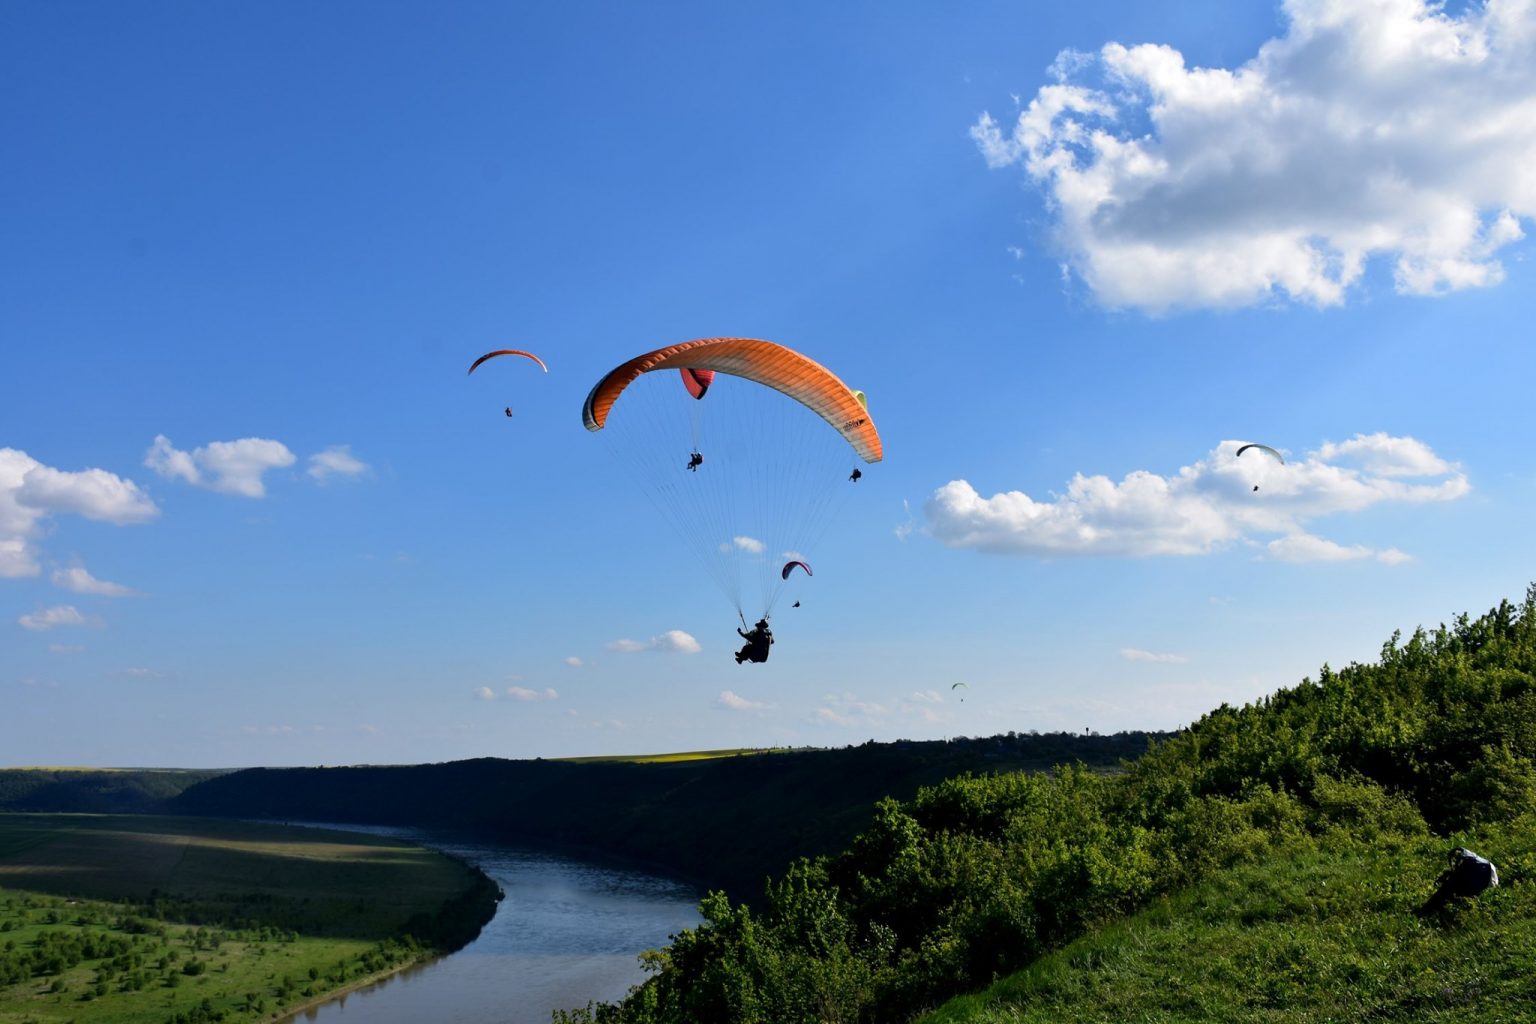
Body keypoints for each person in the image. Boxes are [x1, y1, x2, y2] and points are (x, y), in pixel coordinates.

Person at [1418, 847, 1499, 916]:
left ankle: (1428, 911)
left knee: (1448, 892)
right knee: (1448, 891)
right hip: (1482, 873)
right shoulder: (1467, 865)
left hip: (1482, 875)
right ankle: (1429, 910)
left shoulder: (1467, 871)